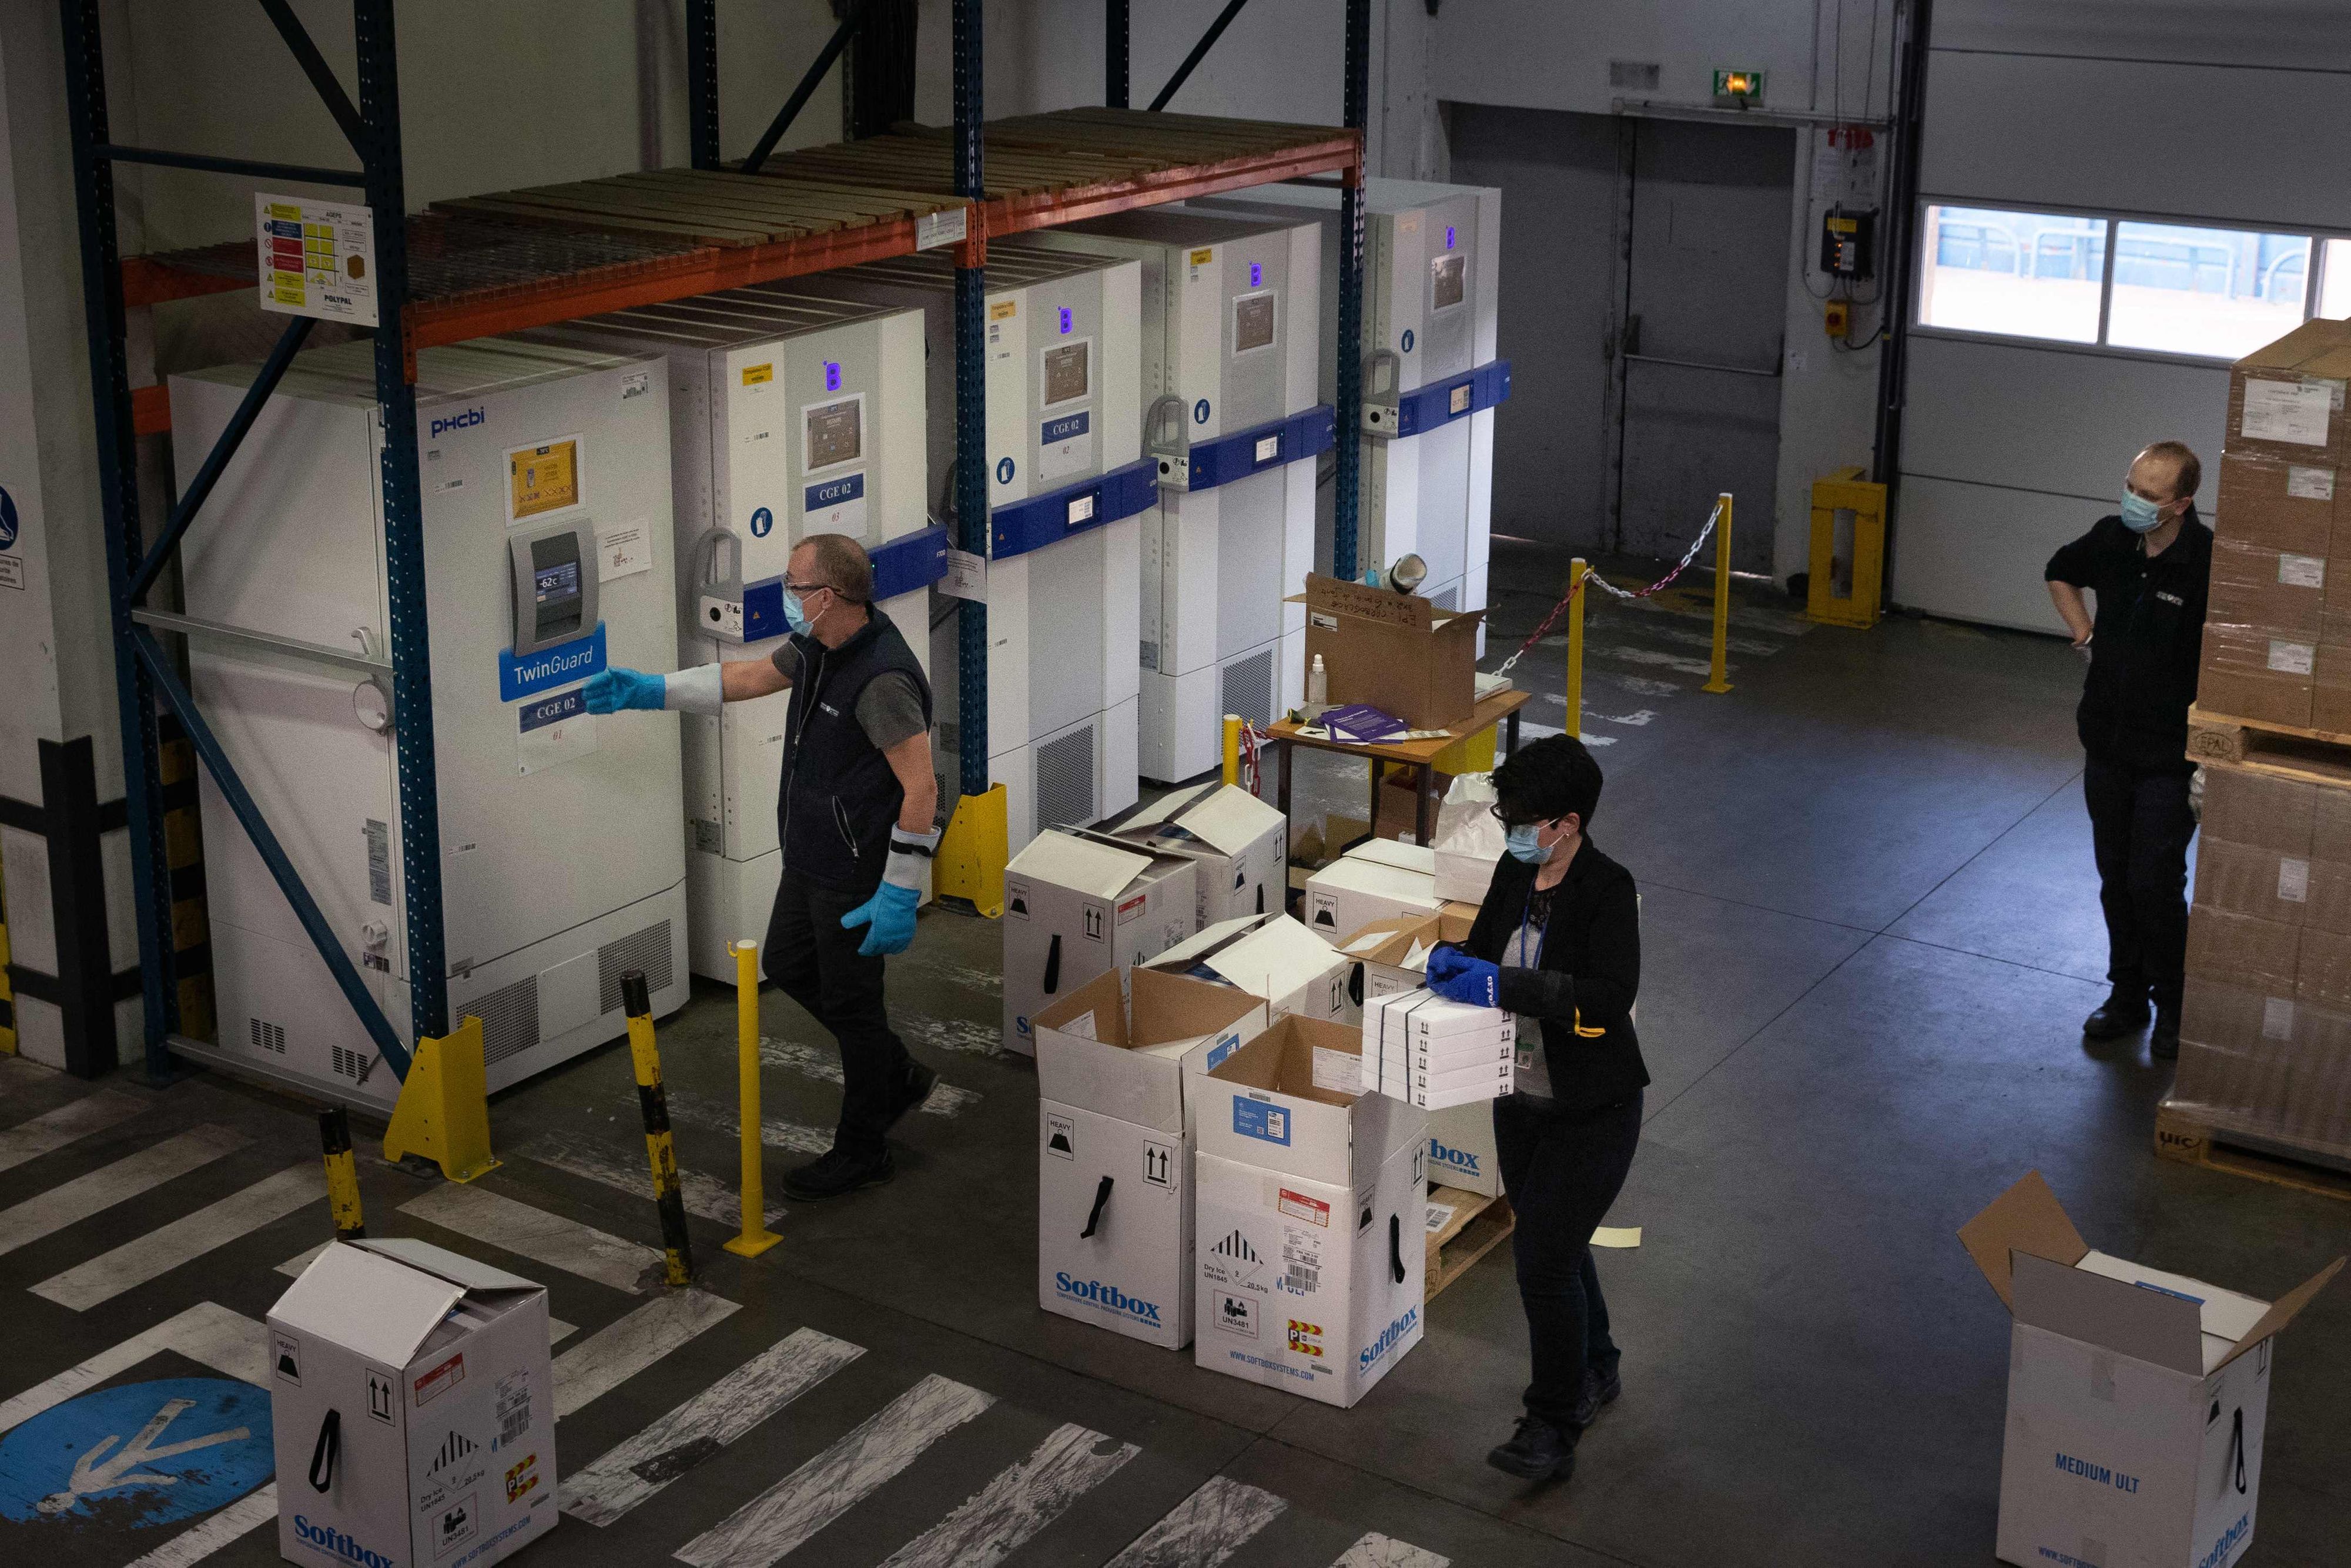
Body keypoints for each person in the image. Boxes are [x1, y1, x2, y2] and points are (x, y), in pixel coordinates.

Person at [586, 533, 942, 1200]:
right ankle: (893, 1071)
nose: (785, 592)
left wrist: (900, 889)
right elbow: (751, 676)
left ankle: (864, 1148)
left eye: (793, 584)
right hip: (811, 853)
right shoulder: (818, 644)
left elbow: (921, 788)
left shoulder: (881, 680)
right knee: (788, 961)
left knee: (854, 1007)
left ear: (827, 596)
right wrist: (651, 690)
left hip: (854, 870)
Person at [1422, 735, 1646, 1484]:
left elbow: (1607, 996)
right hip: (1519, 1100)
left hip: (1592, 1108)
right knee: (1559, 1241)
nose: (1512, 830)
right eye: (1507, 816)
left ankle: (1552, 1422)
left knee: (1542, 1262)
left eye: (1522, 820)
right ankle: (1598, 1364)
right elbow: (1487, 947)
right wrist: (1454, 959)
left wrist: (1502, 985)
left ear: (1568, 823)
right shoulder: (1515, 871)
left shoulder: (1607, 889)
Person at [2045, 441, 2212, 1061]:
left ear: (2181, 504)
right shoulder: (2112, 538)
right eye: (2131, 487)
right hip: (2108, 742)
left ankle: (2174, 1004)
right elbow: (2059, 570)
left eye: (2149, 495)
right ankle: (2127, 995)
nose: (2133, 502)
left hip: (2170, 755)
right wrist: (2083, 630)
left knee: (2153, 882)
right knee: (2115, 877)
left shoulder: (2206, 563)